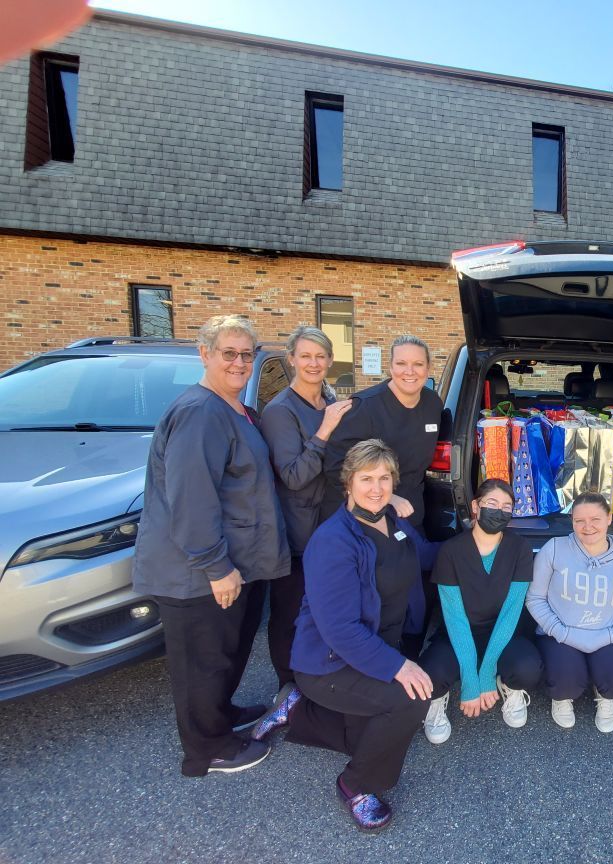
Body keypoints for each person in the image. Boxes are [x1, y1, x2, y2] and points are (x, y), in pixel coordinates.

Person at [132, 315, 289, 777]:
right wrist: (216, 567)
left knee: (226, 652)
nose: (240, 362)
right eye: (229, 353)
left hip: (235, 565)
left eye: (247, 354)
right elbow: (192, 498)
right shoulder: (200, 412)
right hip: (197, 575)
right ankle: (208, 750)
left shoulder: (235, 409)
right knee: (203, 661)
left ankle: (218, 717)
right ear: (204, 354)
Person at [252, 440, 433, 832]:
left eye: (384, 478)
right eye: (366, 478)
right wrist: (399, 666)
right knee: (410, 699)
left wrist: (487, 544)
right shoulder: (334, 541)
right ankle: (357, 785)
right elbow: (339, 630)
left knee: (367, 734)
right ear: (348, 484)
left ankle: (297, 711)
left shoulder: (395, 522)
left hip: (375, 647)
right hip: (330, 660)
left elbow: (429, 557)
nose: (376, 487)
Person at [260, 325, 353, 688]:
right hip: (298, 533)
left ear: (330, 360)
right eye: (305, 356)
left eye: (320, 356)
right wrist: (325, 431)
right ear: (291, 359)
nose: (313, 363)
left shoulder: (329, 399)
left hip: (331, 524)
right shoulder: (280, 411)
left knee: (326, 607)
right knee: (290, 612)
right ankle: (287, 683)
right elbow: (294, 476)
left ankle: (320, 675)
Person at [418, 479, 543, 743]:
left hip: (504, 631)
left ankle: (507, 684)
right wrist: (470, 680)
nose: (499, 511)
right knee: (431, 674)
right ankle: (438, 700)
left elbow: (511, 612)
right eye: (492, 504)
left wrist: (485, 675)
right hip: (459, 629)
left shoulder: (519, 548)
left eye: (507, 506)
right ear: (476, 506)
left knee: (527, 668)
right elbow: (454, 617)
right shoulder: (451, 551)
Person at [527, 492, 613, 733]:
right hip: (560, 633)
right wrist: (561, 632)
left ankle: (603, 690)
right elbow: (535, 598)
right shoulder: (555, 549)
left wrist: (611, 634)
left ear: (609, 518)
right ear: (572, 521)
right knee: (565, 683)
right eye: (579, 520)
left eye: (595, 519)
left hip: (605, 635)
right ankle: (562, 697)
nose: (587, 527)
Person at [320, 334, 443, 529]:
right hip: (364, 518)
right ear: (390, 367)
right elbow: (336, 467)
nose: (409, 371)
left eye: (418, 364)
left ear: (428, 368)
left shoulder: (433, 404)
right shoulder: (364, 408)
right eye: (401, 363)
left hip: (411, 514)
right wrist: (387, 496)